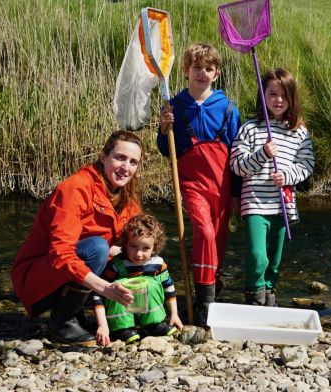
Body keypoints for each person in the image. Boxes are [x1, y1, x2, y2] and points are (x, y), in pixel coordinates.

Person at [12, 130, 143, 346]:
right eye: (119, 158)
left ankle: (101, 317)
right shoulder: (75, 188)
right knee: (98, 248)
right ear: (103, 157)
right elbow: (60, 255)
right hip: (35, 278)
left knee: (134, 250)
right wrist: (105, 288)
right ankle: (63, 320)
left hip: (78, 273)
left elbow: (136, 239)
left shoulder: (127, 196)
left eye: (133, 162)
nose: (126, 167)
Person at [156, 43, 241, 326]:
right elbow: (166, 150)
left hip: (222, 185)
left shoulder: (228, 108)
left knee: (217, 239)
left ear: (216, 73)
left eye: (208, 68)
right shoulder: (175, 106)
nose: (202, 73)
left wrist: (237, 195)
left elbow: (237, 156)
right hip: (191, 184)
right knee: (203, 232)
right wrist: (163, 128)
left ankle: (209, 288)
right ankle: (205, 303)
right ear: (186, 70)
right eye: (196, 68)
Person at [230, 68, 314, 306]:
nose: (279, 100)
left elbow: (306, 164)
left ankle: (269, 291)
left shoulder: (298, 131)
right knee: (258, 255)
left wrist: (288, 176)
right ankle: (254, 292)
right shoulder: (250, 128)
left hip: (282, 204)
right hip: (255, 202)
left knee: (275, 258)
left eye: (284, 95)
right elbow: (236, 166)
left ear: (292, 98)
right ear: (263, 95)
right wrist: (262, 154)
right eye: (273, 94)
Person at [92, 214, 184, 346]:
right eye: (133, 246)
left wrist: (174, 314)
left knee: (152, 284)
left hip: (144, 310)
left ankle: (153, 325)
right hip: (122, 315)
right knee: (118, 286)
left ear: (155, 247)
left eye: (146, 248)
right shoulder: (115, 266)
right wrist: (102, 325)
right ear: (125, 244)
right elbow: (98, 294)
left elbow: (169, 288)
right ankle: (122, 329)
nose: (138, 254)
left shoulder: (158, 264)